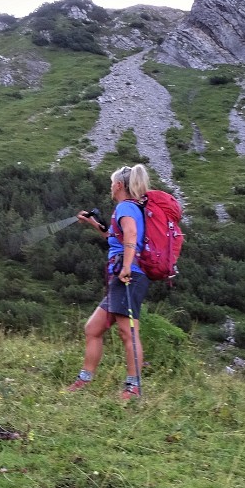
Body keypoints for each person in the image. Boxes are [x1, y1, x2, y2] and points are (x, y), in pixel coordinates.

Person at [66, 164, 150, 400]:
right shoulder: (133, 208)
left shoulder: (125, 207)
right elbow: (116, 237)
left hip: (127, 275)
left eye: (112, 183)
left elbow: (131, 235)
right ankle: (84, 380)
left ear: (119, 185)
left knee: (128, 332)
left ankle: (133, 389)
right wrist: (94, 224)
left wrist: (125, 267)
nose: (110, 187)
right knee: (93, 328)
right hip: (123, 274)